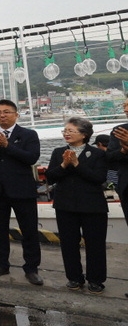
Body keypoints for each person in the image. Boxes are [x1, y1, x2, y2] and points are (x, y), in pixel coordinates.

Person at [0, 99, 43, 285]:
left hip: (22, 190)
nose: (1, 115)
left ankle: (31, 268)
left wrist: (7, 145)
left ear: (16, 114)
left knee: (29, 230)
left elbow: (31, 158)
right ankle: (1, 263)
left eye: (6, 112)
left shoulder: (28, 134)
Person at [46, 117, 110, 293]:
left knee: (95, 244)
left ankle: (96, 279)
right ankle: (74, 277)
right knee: (68, 243)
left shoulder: (97, 154)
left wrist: (76, 164)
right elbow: (51, 176)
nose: (66, 133)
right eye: (65, 130)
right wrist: (64, 164)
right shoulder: (58, 152)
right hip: (65, 205)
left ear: (84, 134)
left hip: (92, 205)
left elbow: (99, 178)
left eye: (71, 131)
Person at [107, 97, 128, 298]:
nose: (126, 109)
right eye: (125, 106)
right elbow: (110, 158)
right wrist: (124, 149)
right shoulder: (118, 130)